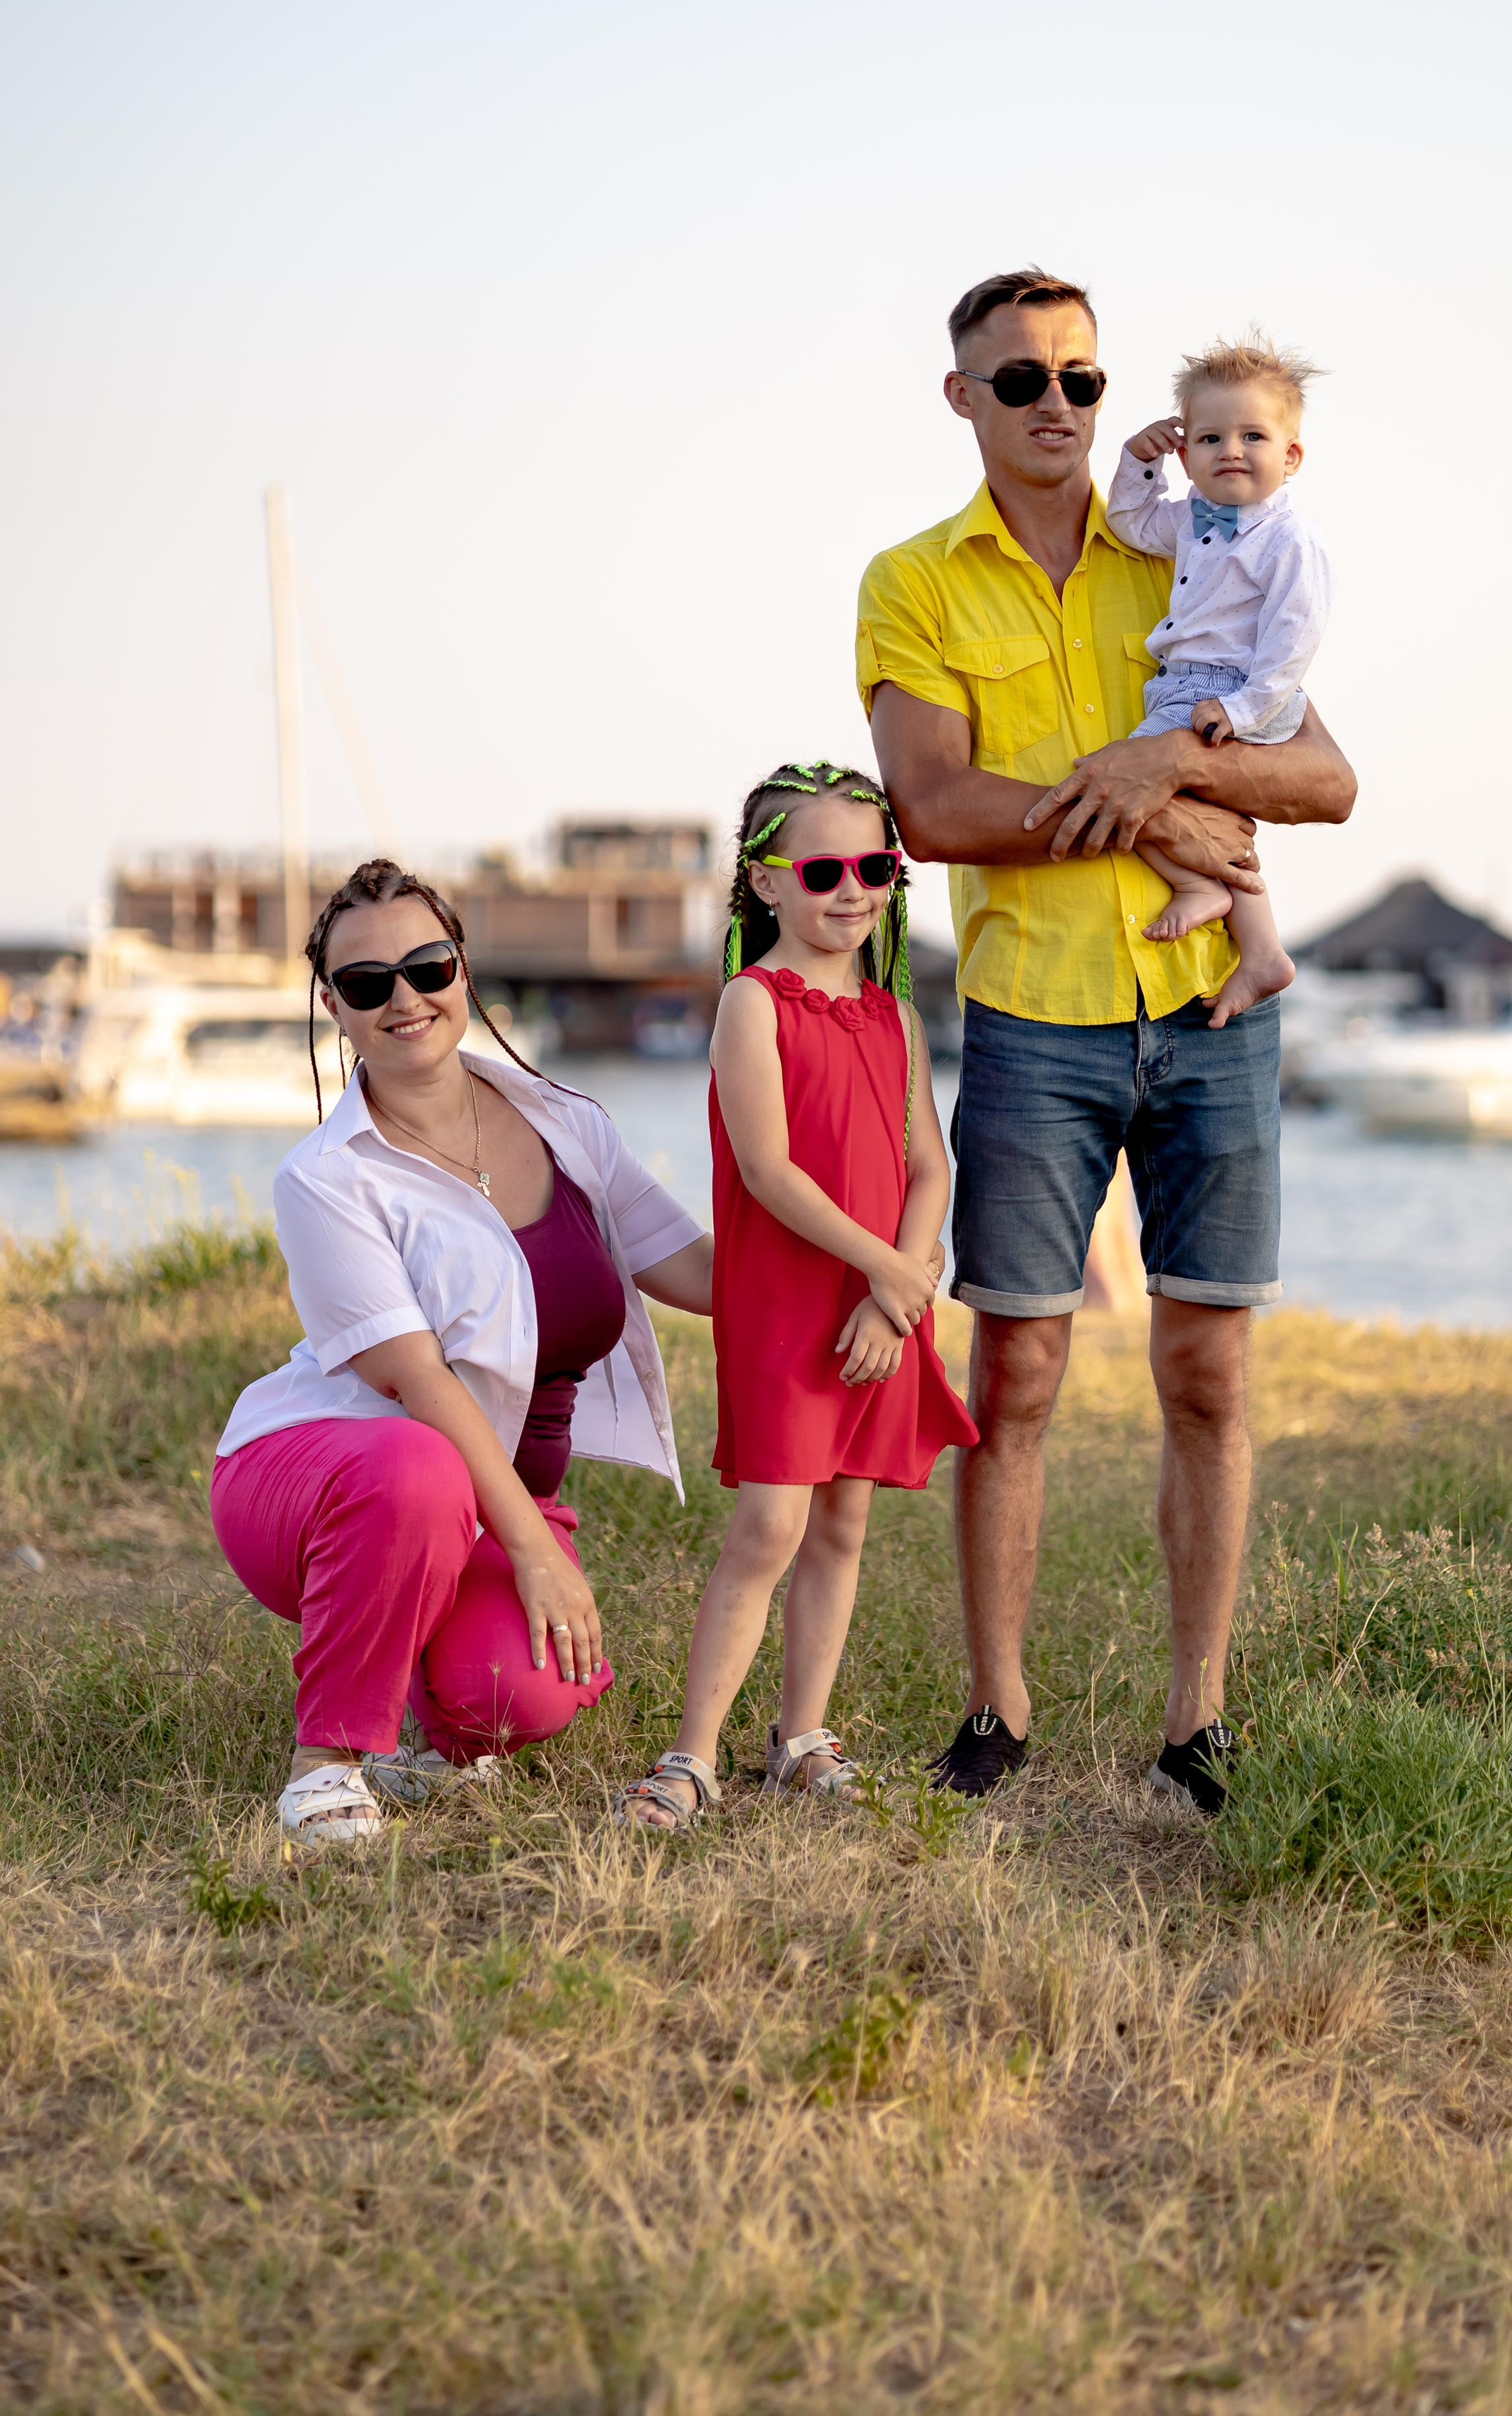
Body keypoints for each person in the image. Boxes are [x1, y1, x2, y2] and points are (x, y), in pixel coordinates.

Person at [858, 269, 1357, 1808]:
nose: (1057, 408)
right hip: (1029, 1024)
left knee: (1207, 1375)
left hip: (1209, 1012)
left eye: (1079, 380)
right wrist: (1138, 795)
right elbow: (932, 811)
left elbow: (1324, 778)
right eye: (1020, 383)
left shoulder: (1197, 536)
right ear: (963, 400)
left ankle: (1196, 1719)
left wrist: (1153, 761)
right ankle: (996, 1712)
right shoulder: (912, 582)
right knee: (1013, 1375)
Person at [211, 858, 713, 1849]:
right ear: (334, 1008)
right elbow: (418, 1383)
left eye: (427, 966)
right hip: (317, 1480)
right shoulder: (326, 1178)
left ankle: (413, 1710)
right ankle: (327, 1764)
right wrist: (537, 1554)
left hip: (488, 1505)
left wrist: (859, 1258)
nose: (406, 998)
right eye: (368, 984)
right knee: (418, 1463)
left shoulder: (567, 1123)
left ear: (463, 970)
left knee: (516, 1700)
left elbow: (700, 1271)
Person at [616, 761, 975, 1830]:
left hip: (877, 1312)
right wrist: (888, 1269)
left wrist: (897, 1295)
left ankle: (800, 1735)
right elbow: (770, 1172)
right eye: (824, 869)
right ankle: (690, 1758)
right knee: (772, 1523)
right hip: (789, 1307)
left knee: (844, 1521)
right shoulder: (750, 1007)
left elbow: (931, 1170)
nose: (854, 890)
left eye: (876, 866)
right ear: (765, 883)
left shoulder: (896, 1018)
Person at [1105, 333, 1332, 1020]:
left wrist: (1241, 710)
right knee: (1210, 818)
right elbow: (1128, 522)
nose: (1229, 450)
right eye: (1208, 438)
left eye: (1252, 436)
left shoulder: (1288, 540)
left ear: (1290, 457)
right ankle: (1262, 954)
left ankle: (1201, 892)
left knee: (1119, 786)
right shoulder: (1191, 521)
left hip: (1230, 691)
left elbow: (1294, 638)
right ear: (1186, 455)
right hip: (1191, 688)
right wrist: (1136, 461)